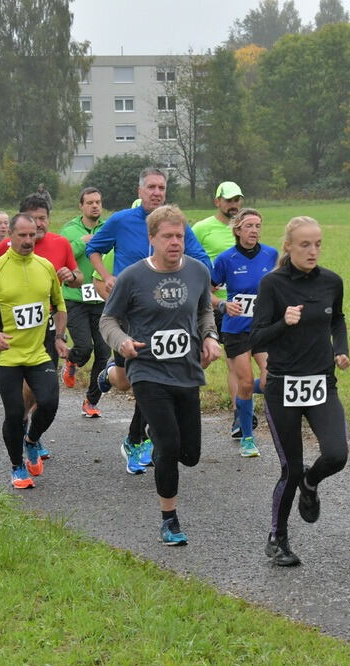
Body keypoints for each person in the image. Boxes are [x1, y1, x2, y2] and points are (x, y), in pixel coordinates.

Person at [99, 204, 221, 545]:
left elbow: (204, 310)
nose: (175, 242)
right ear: (151, 238)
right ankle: (170, 521)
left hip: (186, 371)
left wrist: (210, 337)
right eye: (167, 236)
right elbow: (107, 320)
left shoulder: (197, 271)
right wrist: (122, 342)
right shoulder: (133, 277)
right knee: (167, 445)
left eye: (180, 236)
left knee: (190, 455)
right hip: (147, 370)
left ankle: (158, 435)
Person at [87, 168, 212, 474]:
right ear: (140, 190)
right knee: (131, 381)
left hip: (167, 315)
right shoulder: (120, 220)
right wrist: (107, 278)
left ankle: (137, 439)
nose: (157, 192)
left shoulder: (176, 225)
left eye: (162, 187)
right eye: (151, 187)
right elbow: (94, 248)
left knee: (149, 379)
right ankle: (113, 375)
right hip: (131, 314)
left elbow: (202, 261)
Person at [251, 216, 350, 566]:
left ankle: (311, 483)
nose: (313, 251)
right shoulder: (272, 285)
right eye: (305, 244)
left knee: (337, 454)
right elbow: (256, 336)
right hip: (283, 387)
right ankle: (278, 538)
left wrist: (341, 349)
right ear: (289, 246)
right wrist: (284, 322)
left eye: (318, 244)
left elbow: (337, 318)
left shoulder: (332, 282)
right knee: (289, 468)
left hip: (322, 383)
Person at [0, 212, 68, 488]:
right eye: (22, 235)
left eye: (32, 234)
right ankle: (16, 466)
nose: (28, 240)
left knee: (49, 403)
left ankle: (32, 440)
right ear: (9, 235)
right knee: (14, 413)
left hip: (39, 352)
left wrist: (59, 337)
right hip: (8, 355)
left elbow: (59, 306)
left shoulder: (45, 266)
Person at [0, 194, 81, 459]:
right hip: (16, 333)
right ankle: (23, 428)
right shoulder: (8, 247)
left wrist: (71, 276)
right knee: (24, 393)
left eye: (43, 219)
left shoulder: (61, 243)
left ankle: (31, 435)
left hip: (48, 329)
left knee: (41, 392)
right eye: (34, 219)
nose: (39, 225)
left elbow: (78, 278)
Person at [210, 207, 278, 457]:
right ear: (237, 230)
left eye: (258, 226)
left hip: (263, 328)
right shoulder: (226, 259)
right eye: (249, 226)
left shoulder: (271, 255)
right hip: (236, 330)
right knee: (246, 382)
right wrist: (223, 305)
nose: (254, 230)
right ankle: (248, 437)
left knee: (272, 379)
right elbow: (207, 291)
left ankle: (243, 400)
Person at [192, 181, 250, 438]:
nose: (234, 205)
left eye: (237, 200)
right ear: (217, 201)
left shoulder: (246, 228)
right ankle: (181, 386)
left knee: (233, 362)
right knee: (203, 357)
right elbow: (189, 258)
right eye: (229, 200)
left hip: (240, 306)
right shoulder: (201, 228)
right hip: (210, 304)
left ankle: (240, 416)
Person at [60, 187, 109, 417]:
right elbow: (62, 254)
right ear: (81, 206)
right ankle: (71, 360)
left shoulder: (108, 227)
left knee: (103, 351)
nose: (95, 206)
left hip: (100, 296)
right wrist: (84, 241)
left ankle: (91, 401)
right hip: (74, 298)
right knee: (84, 347)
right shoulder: (70, 230)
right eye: (90, 202)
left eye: (98, 202)